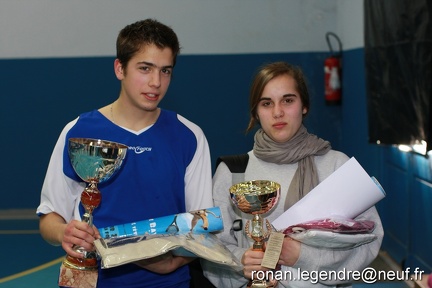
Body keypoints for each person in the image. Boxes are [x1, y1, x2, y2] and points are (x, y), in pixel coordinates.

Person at [36, 19, 213, 288]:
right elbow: (49, 219)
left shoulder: (189, 136)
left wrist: (172, 263)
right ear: (120, 68)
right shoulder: (78, 132)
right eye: (145, 68)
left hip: (166, 284)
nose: (156, 82)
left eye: (165, 71)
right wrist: (65, 232)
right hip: (90, 281)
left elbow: (202, 225)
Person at [203, 61, 384, 287]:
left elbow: (368, 243)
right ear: (256, 112)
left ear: (304, 106)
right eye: (266, 103)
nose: (278, 112)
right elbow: (211, 251)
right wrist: (241, 262)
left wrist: (302, 256)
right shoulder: (232, 172)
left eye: (288, 100)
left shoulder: (337, 166)